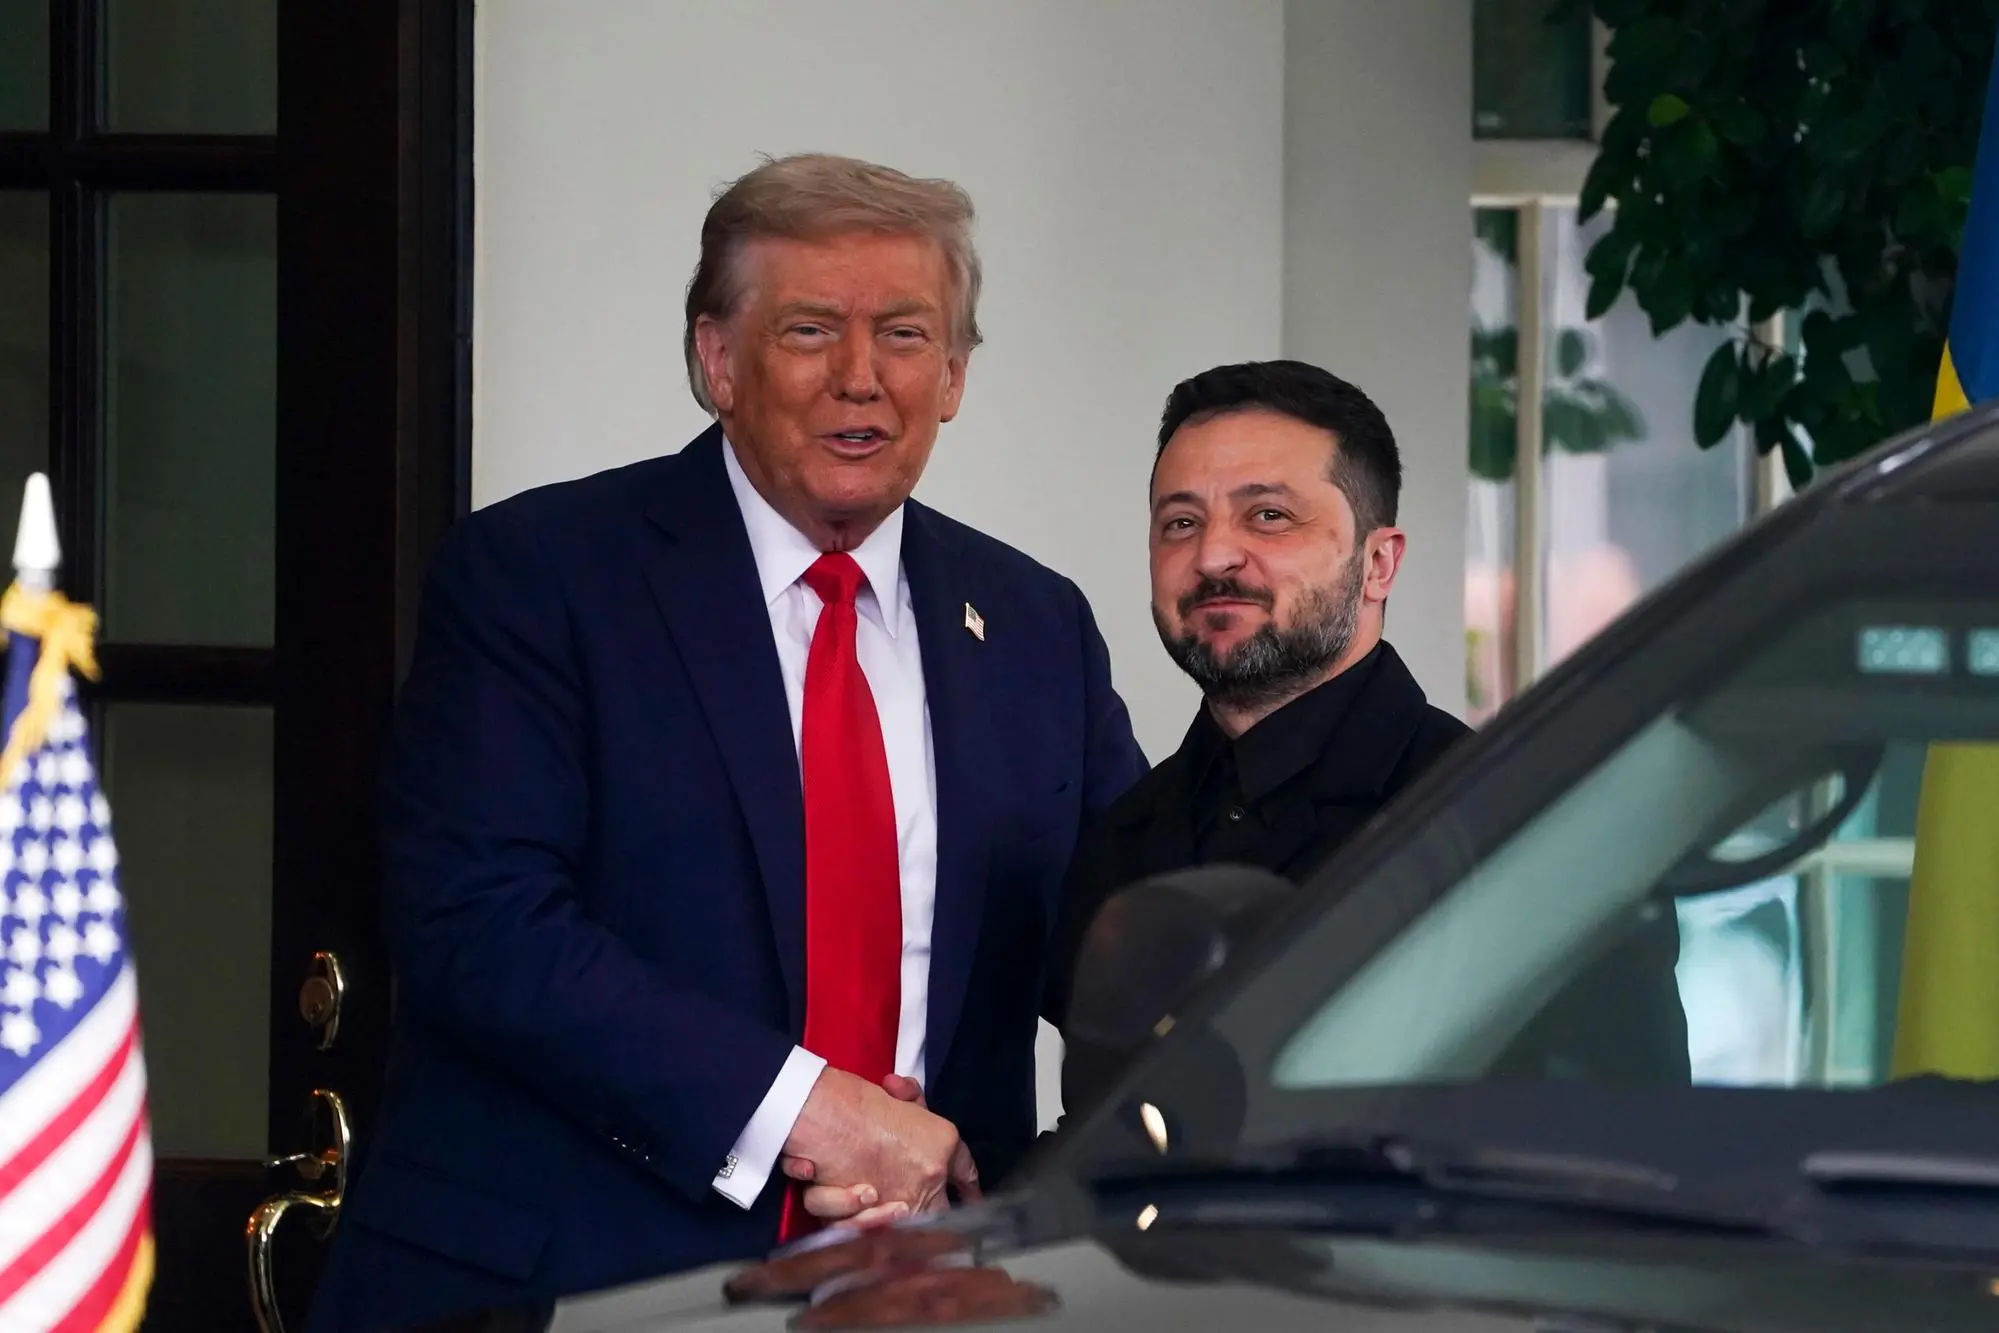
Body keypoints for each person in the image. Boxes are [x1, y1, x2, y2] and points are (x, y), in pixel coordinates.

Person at [306, 154, 1146, 1333]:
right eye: (810, 330)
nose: (861, 377)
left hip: (921, 1296)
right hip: (583, 1283)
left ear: (952, 376)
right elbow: (479, 923)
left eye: (904, 335)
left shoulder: (1034, 624)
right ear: (717, 361)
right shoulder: (540, 577)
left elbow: (1125, 945)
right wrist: (805, 1110)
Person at [1045, 360, 1687, 1111]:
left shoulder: (1523, 828)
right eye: (1180, 522)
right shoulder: (1122, 839)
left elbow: (1621, 1145)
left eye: (1268, 516)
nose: (1213, 555)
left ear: (1378, 562)